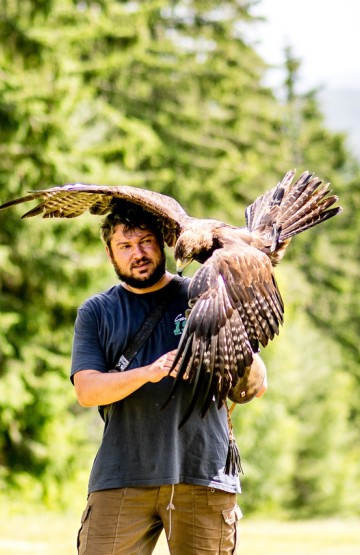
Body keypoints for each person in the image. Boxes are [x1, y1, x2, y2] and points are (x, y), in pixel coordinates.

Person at [71, 201, 265, 554]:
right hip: (123, 474)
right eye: (125, 246)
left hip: (203, 473)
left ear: (163, 241)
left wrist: (234, 345)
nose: (138, 254)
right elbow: (87, 391)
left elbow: (256, 387)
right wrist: (149, 372)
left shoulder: (207, 294)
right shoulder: (97, 312)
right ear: (109, 251)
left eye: (145, 242)